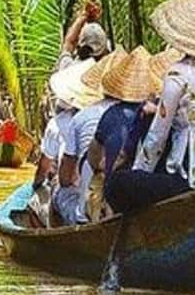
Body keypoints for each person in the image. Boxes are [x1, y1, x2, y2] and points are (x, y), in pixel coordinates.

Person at [106, 0, 195, 215]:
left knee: (116, 184)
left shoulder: (177, 73)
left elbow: (157, 137)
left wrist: (140, 174)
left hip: (187, 182)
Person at [80, 46, 175, 221]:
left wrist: (106, 178)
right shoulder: (157, 113)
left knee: (116, 183)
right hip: (155, 185)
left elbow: (98, 160)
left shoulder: (116, 114)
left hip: (140, 191)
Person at [54, 48, 126, 225]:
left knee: (59, 192)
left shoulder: (81, 117)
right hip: (122, 207)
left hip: (88, 212)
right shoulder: (139, 114)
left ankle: (58, 226)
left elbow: (65, 177)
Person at [29, 58, 97, 227]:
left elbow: (55, 174)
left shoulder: (62, 122)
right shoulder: (111, 115)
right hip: (104, 199)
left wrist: (36, 186)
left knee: (56, 189)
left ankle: (52, 233)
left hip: (81, 204)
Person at [56, 0, 111, 71]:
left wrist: (84, 16)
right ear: (105, 52)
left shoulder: (67, 67)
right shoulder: (108, 76)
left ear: (80, 45)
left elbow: (69, 43)